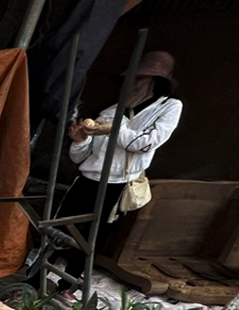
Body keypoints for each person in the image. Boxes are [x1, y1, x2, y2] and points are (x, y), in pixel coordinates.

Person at [53, 50, 182, 290]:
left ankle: (67, 285)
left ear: (155, 82)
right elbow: (80, 158)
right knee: (58, 228)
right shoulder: (110, 112)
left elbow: (146, 143)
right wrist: (79, 141)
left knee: (91, 237)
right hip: (86, 180)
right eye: (131, 78)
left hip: (116, 184)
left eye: (140, 78)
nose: (133, 84)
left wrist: (113, 130)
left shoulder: (168, 107)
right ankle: (36, 277)